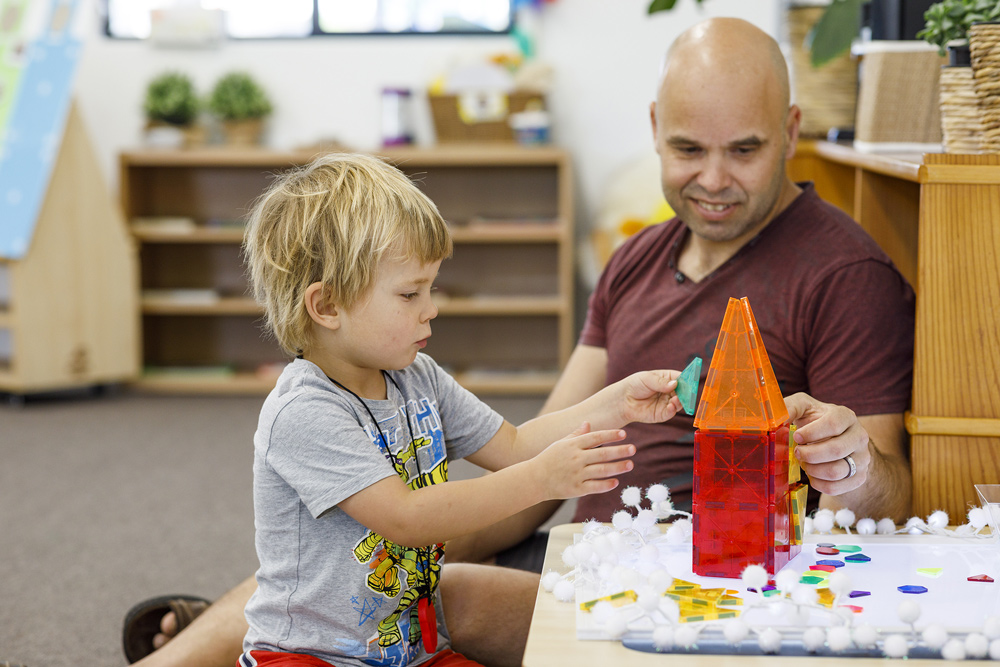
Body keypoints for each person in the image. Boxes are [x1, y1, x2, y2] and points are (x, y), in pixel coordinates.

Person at [122, 16, 914, 667]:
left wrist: (846, 460)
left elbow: (883, 500)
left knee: (426, 582)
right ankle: (256, 632)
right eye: (686, 150)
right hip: (566, 540)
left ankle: (259, 632)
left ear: (791, 132)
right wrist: (605, 411)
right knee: (351, 546)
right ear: (654, 132)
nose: (712, 178)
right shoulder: (639, 255)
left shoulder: (844, 272)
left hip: (673, 569)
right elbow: (525, 451)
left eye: (743, 150)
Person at [232, 151, 686, 667]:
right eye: (409, 293)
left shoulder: (416, 375)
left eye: (431, 287)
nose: (432, 308)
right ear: (327, 306)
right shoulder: (303, 411)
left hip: (409, 647)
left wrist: (617, 402)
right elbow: (407, 518)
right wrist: (542, 480)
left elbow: (513, 446)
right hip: (305, 657)